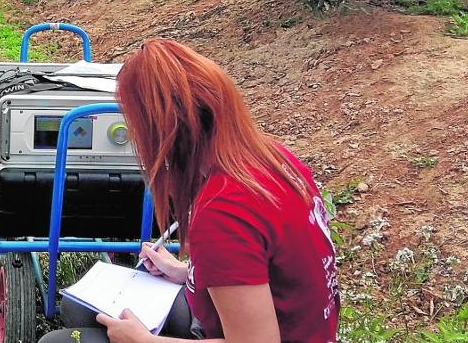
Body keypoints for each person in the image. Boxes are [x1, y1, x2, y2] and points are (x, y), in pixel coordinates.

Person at [39, 39, 339, 343]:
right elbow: (267, 274)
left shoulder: (225, 209)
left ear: (165, 132)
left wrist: (145, 341)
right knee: (77, 307)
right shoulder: (271, 157)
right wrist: (186, 273)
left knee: (55, 342)